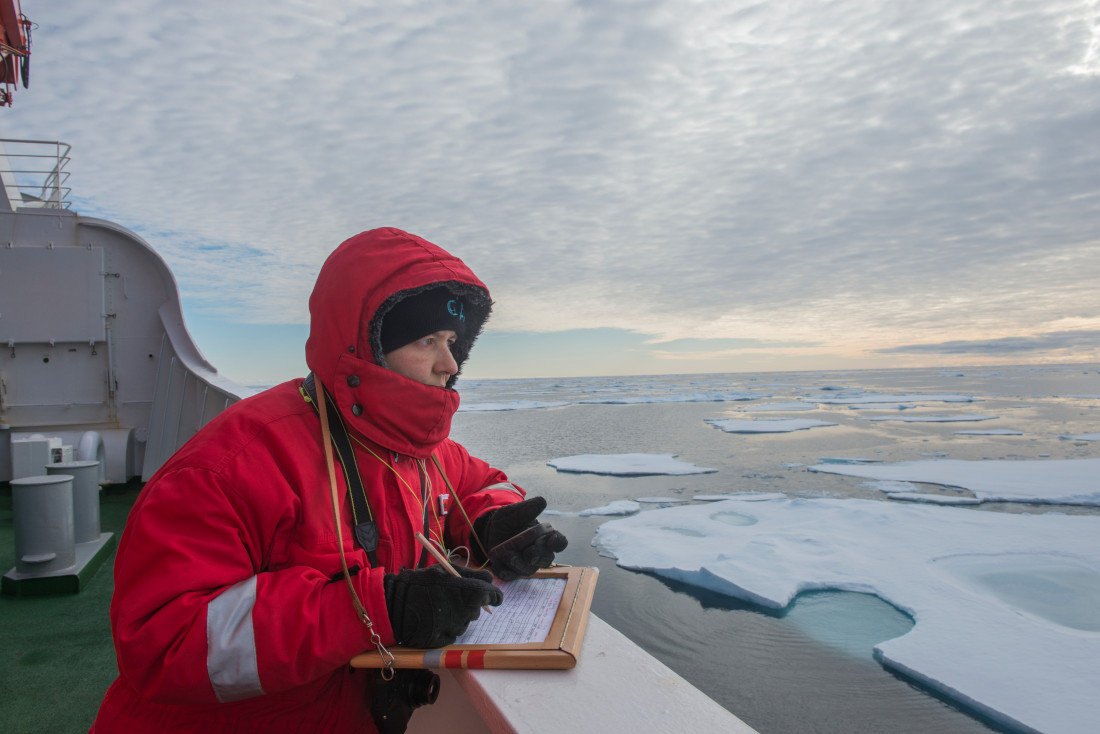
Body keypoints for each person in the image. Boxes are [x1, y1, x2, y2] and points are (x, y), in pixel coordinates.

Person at [89, 227, 568, 733]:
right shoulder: (236, 462)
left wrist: (491, 523)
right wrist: (372, 609)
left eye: (453, 342)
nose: (449, 365)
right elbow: (162, 642)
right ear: (369, 345)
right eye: (426, 340)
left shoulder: (417, 449)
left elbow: (484, 483)